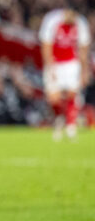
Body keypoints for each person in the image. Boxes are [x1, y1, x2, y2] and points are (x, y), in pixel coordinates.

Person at [39, 7, 91, 140]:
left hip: (72, 64)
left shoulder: (81, 23)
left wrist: (84, 71)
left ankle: (71, 126)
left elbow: (84, 48)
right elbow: (46, 45)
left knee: (72, 93)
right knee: (54, 97)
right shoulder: (51, 20)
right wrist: (50, 68)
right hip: (56, 62)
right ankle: (59, 118)